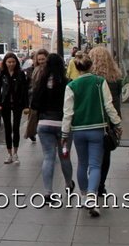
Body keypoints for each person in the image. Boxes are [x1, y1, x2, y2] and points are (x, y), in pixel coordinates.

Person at [61, 53, 122, 217]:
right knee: (95, 165)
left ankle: (83, 195)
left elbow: (68, 113)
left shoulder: (71, 86)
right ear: (91, 66)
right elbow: (108, 106)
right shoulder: (99, 82)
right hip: (97, 129)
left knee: (82, 163)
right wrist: (117, 124)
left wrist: (64, 133)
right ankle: (92, 198)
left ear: (77, 68)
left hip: (78, 130)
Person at [30, 53, 74, 202]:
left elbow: (34, 104)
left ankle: (48, 192)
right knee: (64, 157)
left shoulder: (41, 82)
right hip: (63, 126)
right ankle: (69, 184)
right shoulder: (67, 83)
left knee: (48, 157)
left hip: (44, 125)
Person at [89, 46, 123, 196]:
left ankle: (93, 183)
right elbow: (116, 100)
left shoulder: (90, 78)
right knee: (106, 153)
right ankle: (101, 185)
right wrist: (117, 123)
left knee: (93, 155)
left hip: (93, 120)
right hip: (110, 120)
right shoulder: (115, 77)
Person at [0, 52, 28, 164]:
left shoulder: (20, 74)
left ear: (16, 62)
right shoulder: (2, 74)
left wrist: (26, 106)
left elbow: (25, 91)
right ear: (5, 62)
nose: (11, 64)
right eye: (9, 62)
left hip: (17, 104)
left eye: (13, 62)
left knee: (16, 128)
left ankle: (16, 153)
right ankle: (9, 154)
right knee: (7, 129)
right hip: (5, 104)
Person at [24, 48, 49, 142]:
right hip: (34, 97)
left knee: (42, 117)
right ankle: (31, 132)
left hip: (46, 97)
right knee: (33, 117)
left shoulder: (49, 70)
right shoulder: (32, 70)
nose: (41, 61)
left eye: (43, 59)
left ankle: (37, 132)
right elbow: (28, 85)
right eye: (39, 60)